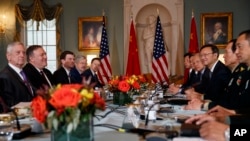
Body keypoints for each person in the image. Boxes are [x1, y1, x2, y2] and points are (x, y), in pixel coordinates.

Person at [0, 42, 34, 113]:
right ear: (8, 56)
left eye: (24, 53)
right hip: (18, 118)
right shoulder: (4, 76)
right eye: (18, 52)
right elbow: (9, 104)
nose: (22, 55)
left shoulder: (24, 73)